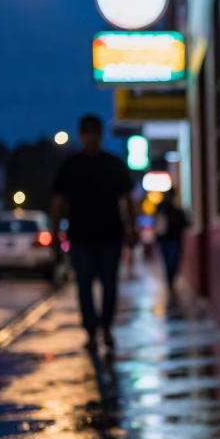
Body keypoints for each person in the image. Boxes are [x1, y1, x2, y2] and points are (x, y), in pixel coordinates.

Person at [51, 114, 135, 351]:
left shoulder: (112, 164)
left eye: (94, 134)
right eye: (88, 134)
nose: (91, 139)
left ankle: (105, 327)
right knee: (86, 285)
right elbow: (58, 202)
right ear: (82, 136)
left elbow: (128, 200)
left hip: (109, 235)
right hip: (82, 236)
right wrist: (56, 233)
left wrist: (132, 228)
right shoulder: (71, 165)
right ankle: (91, 329)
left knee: (107, 284)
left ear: (99, 135)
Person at [155, 188, 188, 291]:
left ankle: (170, 281)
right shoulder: (163, 209)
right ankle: (170, 281)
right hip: (168, 240)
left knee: (171, 262)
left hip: (172, 240)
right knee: (170, 262)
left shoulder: (173, 210)